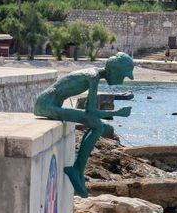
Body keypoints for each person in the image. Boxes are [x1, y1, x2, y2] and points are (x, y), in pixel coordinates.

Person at [34, 52, 134, 197]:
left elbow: (89, 113)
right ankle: (76, 170)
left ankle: (78, 170)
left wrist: (113, 114)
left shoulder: (95, 75)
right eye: (122, 76)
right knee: (97, 125)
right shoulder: (93, 76)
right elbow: (91, 111)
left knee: (101, 125)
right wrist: (117, 113)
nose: (122, 81)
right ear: (114, 70)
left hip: (51, 104)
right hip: (45, 105)